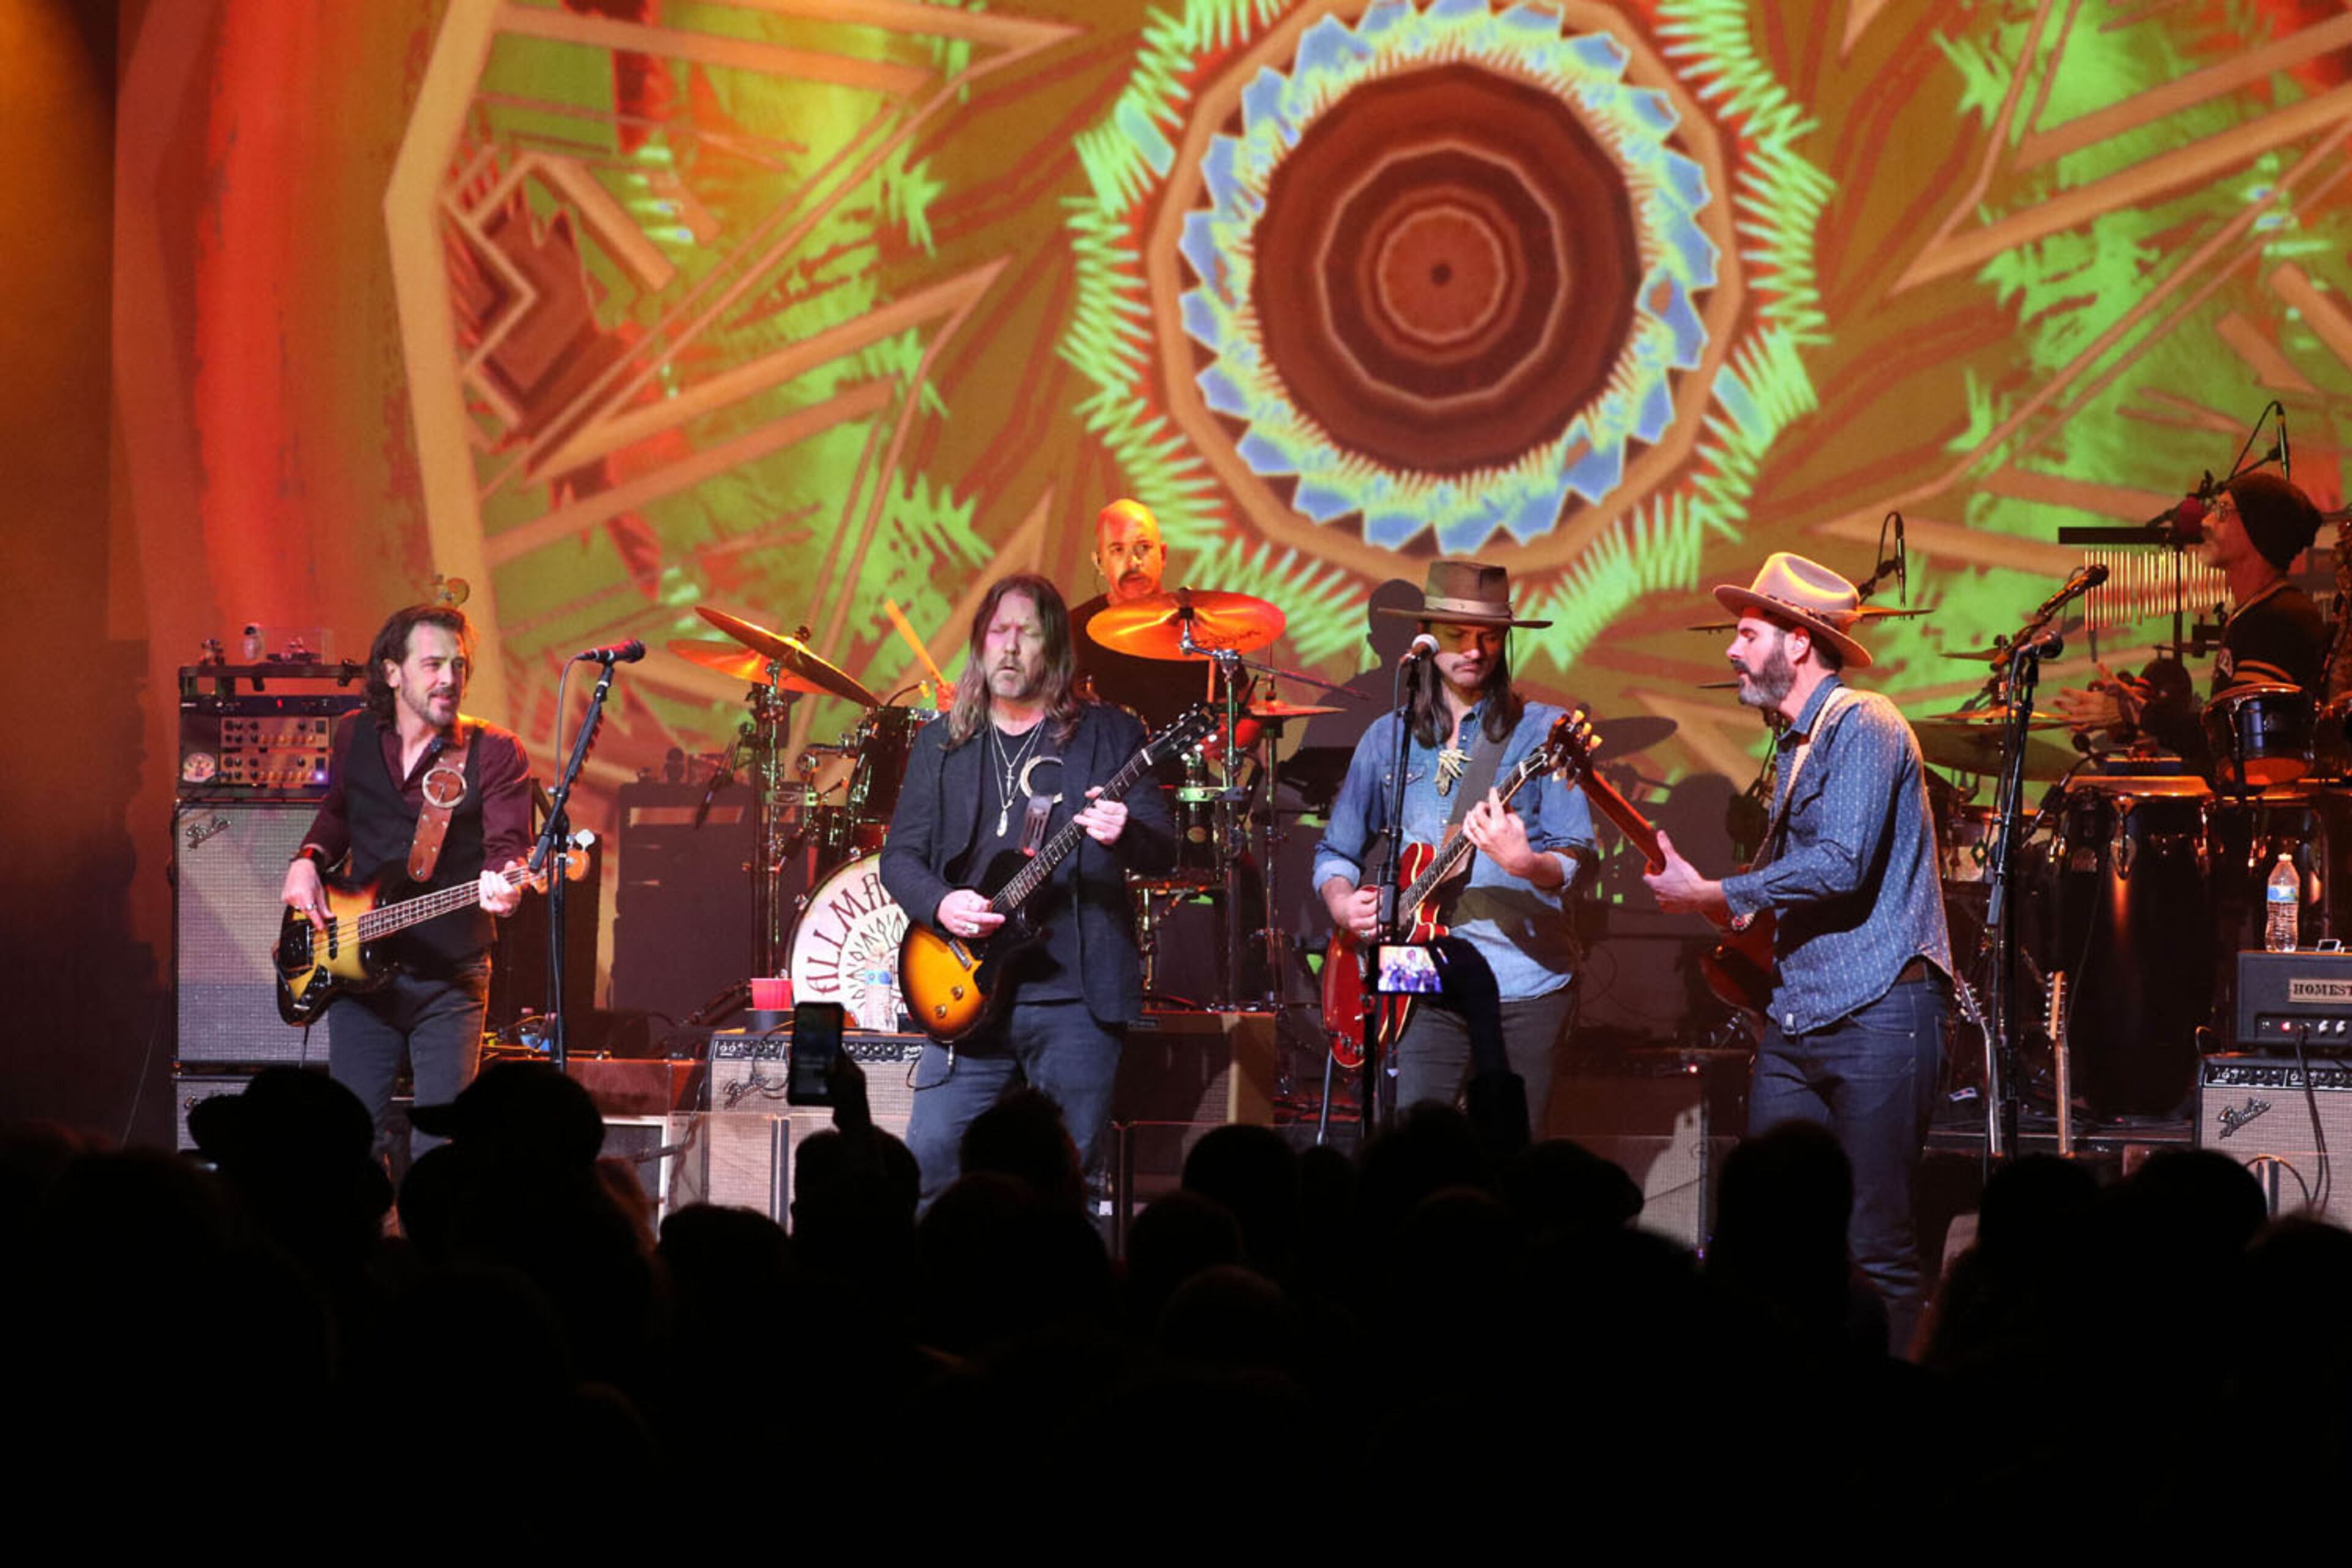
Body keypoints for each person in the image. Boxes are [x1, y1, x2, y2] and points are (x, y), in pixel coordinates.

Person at [1640, 552, 1951, 1356]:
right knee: (1774, 1239)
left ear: (1799, 644)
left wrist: (1717, 894)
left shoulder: (1867, 723)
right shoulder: (1795, 745)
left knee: (1876, 1242)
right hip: (1798, 1015)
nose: (1731, 651)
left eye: (1747, 634)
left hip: (1880, 1010)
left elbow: (1842, 863)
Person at [880, 573, 1177, 1204]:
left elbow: (1163, 849)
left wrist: (1123, 832)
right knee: (930, 1166)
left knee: (1068, 1185)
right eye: (998, 632)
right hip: (966, 996)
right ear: (980, 644)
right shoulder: (941, 743)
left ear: (1056, 651)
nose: (1010, 648)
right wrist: (941, 903)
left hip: (1075, 998)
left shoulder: (1111, 736)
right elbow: (900, 858)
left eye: (1028, 633)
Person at [1313, 559, 1597, 1133]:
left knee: (1514, 1154)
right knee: (1418, 1150)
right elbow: (1335, 852)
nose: (1476, 650)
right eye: (1458, 636)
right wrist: (1342, 903)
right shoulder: (1387, 738)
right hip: (1422, 975)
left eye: (1490, 636)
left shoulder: (1544, 732)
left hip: (1524, 979)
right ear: (1426, 639)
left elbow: (1579, 859)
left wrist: (1528, 863)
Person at [279, 603, 536, 1163]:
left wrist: (508, 887)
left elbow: (509, 852)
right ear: (392, 672)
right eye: (432, 664)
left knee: (441, 1146)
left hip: (450, 977)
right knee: (350, 1145)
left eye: (459, 665)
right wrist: (307, 858)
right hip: (354, 966)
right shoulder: (354, 736)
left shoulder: (494, 751)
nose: (449, 679)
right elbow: (341, 810)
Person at [2054, 470, 2328, 771]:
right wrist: (2135, 717)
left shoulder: (2278, 619)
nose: (2205, 522)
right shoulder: (2256, 613)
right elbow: (2220, 736)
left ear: (2258, 529)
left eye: (2222, 511)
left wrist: (2140, 713)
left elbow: (2236, 741)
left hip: (2266, 818)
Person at [1069, 497, 1205, 731]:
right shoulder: (1072, 630)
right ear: (1100, 562)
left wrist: (1229, 736)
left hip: (1185, 767)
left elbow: (1245, 719)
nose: (1132, 562)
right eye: (1118, 550)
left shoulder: (1199, 626)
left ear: (1163, 555)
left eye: (1143, 547)